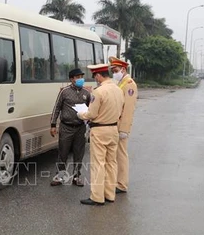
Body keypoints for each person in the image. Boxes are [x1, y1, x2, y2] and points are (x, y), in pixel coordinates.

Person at [77, 63, 125, 206]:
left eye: (95, 76)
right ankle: (109, 194)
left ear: (98, 75)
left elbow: (92, 114)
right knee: (111, 163)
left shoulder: (99, 92)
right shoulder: (118, 89)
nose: (95, 79)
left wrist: (80, 114)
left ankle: (97, 197)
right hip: (113, 129)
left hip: (100, 130)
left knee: (98, 164)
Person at [50, 68, 91, 187]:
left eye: (81, 77)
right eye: (77, 77)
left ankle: (76, 176)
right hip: (66, 127)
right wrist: (53, 124)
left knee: (79, 153)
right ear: (71, 79)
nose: (80, 79)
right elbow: (56, 108)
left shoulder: (86, 93)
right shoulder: (64, 92)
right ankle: (60, 176)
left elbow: (91, 109)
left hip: (80, 127)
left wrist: (89, 125)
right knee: (63, 152)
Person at [109, 56, 138, 194]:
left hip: (121, 126)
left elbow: (128, 109)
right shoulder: (120, 83)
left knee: (121, 155)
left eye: (115, 70)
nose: (114, 73)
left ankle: (121, 184)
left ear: (123, 69)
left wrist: (124, 129)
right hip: (115, 124)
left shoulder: (129, 84)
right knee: (115, 155)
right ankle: (117, 181)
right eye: (113, 71)